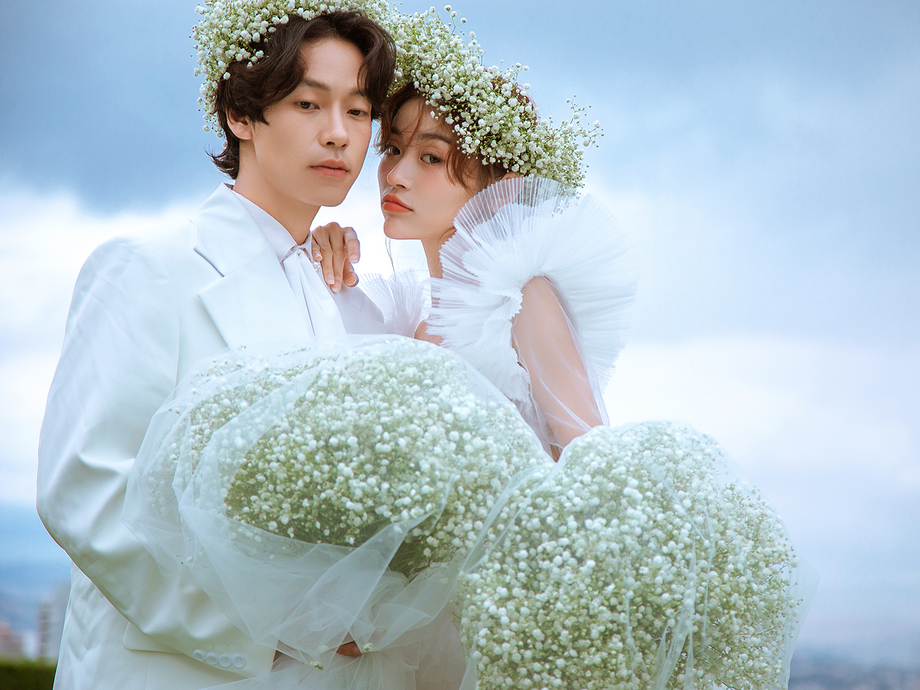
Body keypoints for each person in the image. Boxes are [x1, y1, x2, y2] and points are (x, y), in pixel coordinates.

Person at [36, 2, 397, 688]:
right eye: (307, 104)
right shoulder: (149, 266)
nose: (338, 133)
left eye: (358, 111)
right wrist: (279, 621)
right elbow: (84, 489)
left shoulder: (338, 293)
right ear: (241, 114)